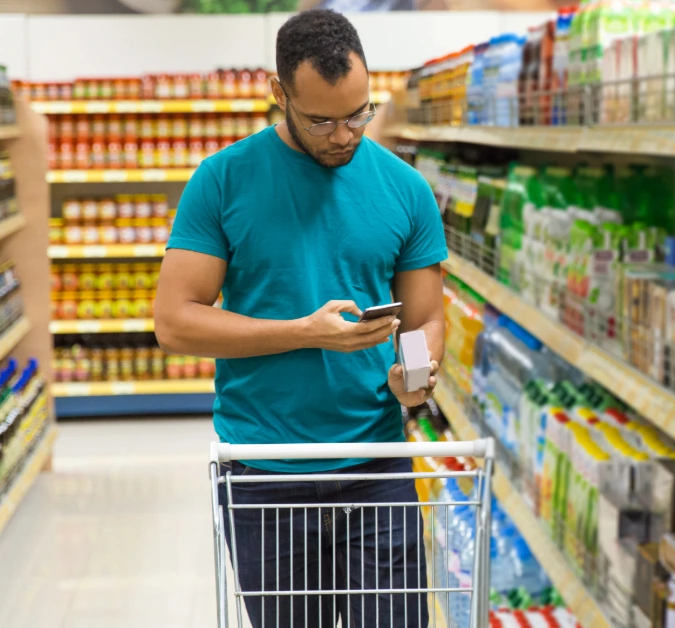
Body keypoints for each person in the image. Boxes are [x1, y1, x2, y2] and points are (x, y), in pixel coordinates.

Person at [154, 9, 445, 628]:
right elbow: (174, 322)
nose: (344, 135)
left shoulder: (406, 188)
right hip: (264, 469)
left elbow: (424, 320)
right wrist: (303, 333)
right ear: (278, 93)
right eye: (322, 120)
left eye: (358, 113)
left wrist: (413, 378)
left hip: (377, 467)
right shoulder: (222, 180)